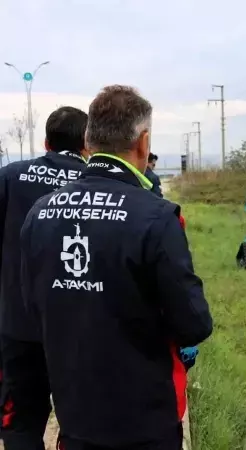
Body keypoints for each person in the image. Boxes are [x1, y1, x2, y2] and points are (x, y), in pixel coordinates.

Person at [18, 85, 213, 449]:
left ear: (89, 142)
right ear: (143, 143)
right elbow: (194, 323)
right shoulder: (156, 216)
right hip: (144, 421)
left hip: (75, 415)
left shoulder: (40, 212)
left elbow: (34, 307)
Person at [0, 106, 89, 450]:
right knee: (82, 426)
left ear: (46, 142)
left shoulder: (10, 178)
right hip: (81, 333)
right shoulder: (103, 188)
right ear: (87, 144)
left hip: (17, 328)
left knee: (21, 424)